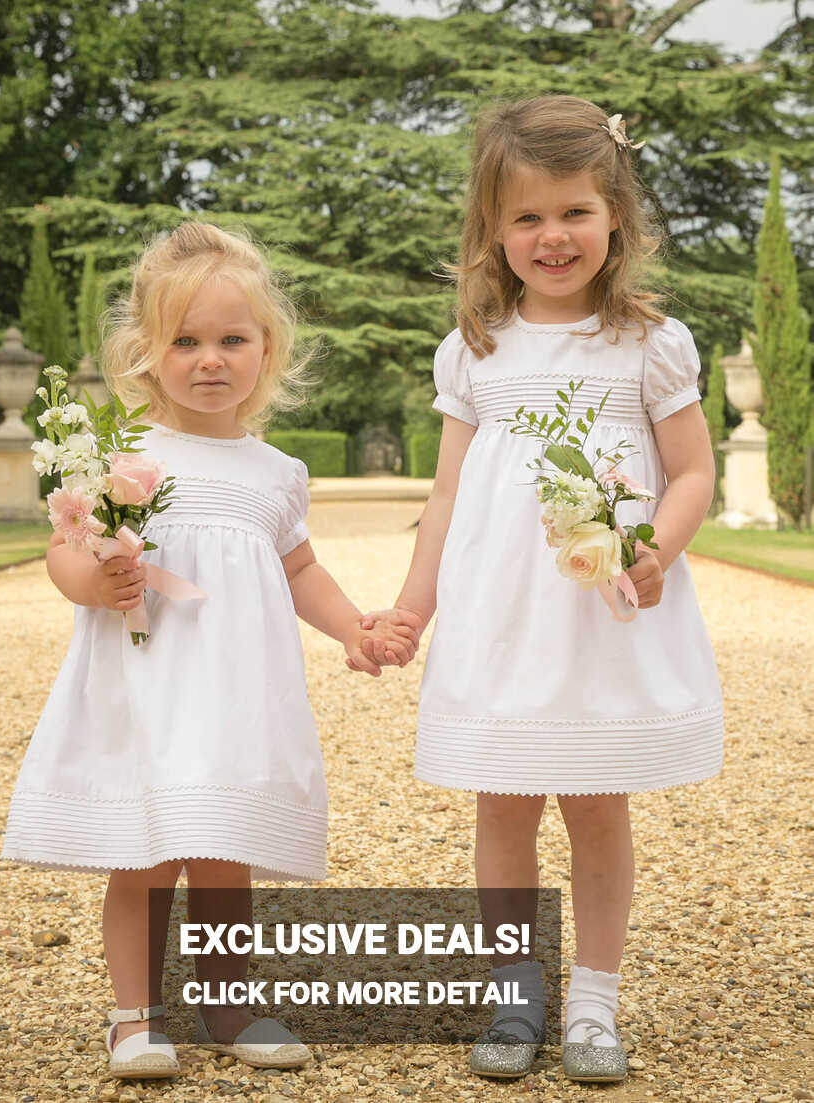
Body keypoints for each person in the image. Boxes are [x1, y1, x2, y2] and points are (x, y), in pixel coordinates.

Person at [359, 96, 724, 1082]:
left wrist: (655, 545)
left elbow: (692, 472)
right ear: (491, 230)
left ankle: (595, 1003)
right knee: (504, 803)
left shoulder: (648, 344)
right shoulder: (474, 349)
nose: (551, 236)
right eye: (525, 218)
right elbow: (445, 498)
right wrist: (409, 607)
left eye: (573, 211)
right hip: (501, 619)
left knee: (598, 801)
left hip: (600, 613)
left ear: (615, 216)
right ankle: (517, 995)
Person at [0, 221, 418, 1080]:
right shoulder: (118, 453)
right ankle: (135, 1016)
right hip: (148, 684)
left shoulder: (276, 472)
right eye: (183, 341)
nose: (209, 359)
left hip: (236, 689)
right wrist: (92, 582)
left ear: (269, 350)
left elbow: (299, 566)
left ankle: (229, 1004)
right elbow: (65, 549)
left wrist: (354, 626)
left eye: (233, 339)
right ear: (146, 353)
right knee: (147, 845)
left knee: (223, 845)